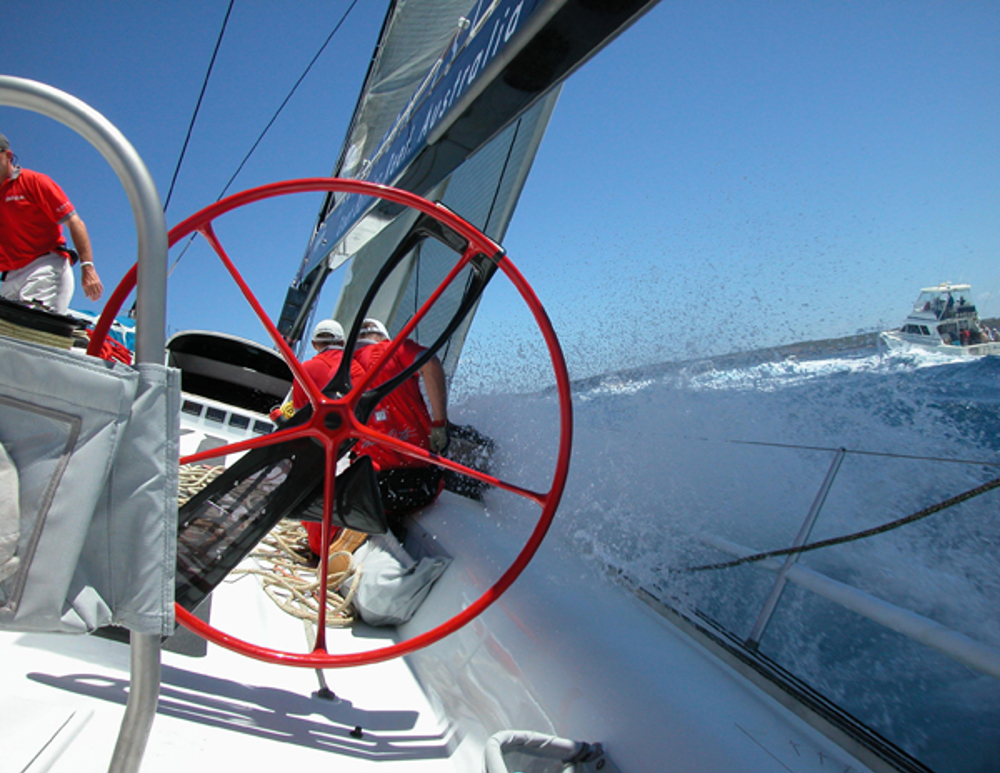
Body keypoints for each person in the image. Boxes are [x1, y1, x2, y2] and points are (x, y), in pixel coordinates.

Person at [352, 318, 449, 533]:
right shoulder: (395, 349)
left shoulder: (340, 366)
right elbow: (431, 363)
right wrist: (440, 423)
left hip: (374, 492)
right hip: (423, 485)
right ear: (383, 337)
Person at [0, 132, 103, 314]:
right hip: (9, 276)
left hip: (44, 266)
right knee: (8, 337)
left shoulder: (34, 182)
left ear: (8, 156)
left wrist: (88, 267)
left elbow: (74, 221)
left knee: (34, 329)